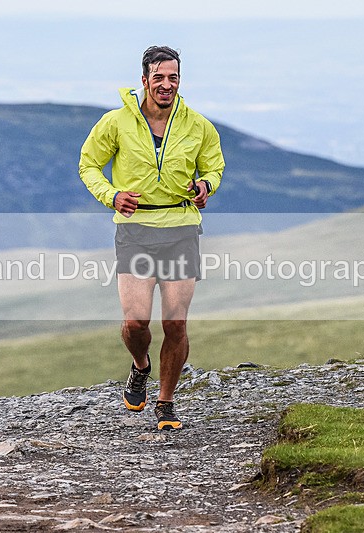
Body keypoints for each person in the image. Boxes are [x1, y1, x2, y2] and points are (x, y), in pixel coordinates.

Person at [78, 45, 224, 430]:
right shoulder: (116, 122)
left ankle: (166, 402)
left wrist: (206, 185)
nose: (166, 84)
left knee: (175, 324)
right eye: (159, 77)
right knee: (136, 322)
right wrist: (112, 195)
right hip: (135, 230)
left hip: (181, 229)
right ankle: (141, 365)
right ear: (144, 80)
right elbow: (89, 165)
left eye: (173, 77)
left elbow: (214, 167)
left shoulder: (198, 126)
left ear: (180, 80)